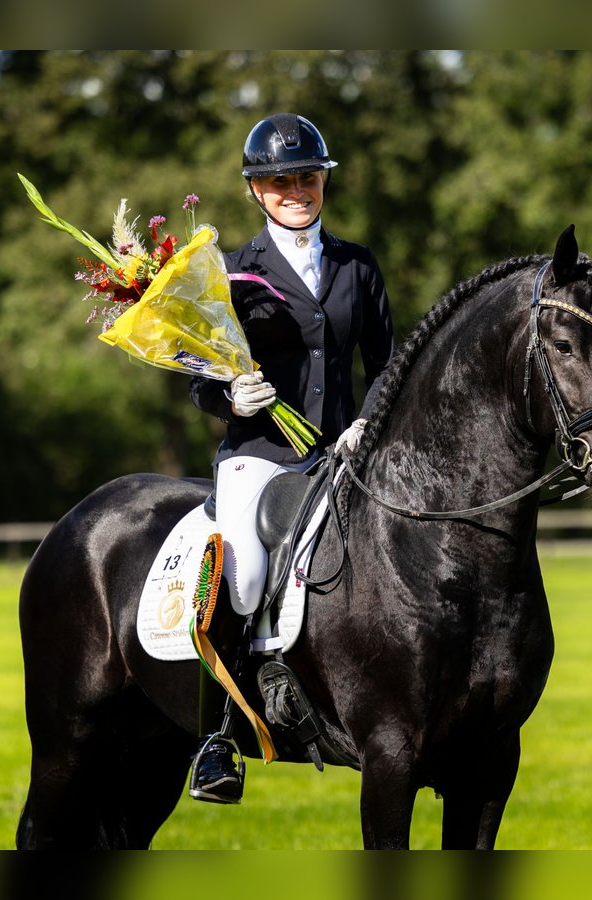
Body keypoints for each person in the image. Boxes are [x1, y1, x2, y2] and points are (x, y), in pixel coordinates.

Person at [186, 113, 396, 803]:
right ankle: (222, 734)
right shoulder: (233, 273)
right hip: (261, 457)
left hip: (344, 454)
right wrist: (232, 398)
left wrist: (367, 422)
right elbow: (200, 380)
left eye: (307, 177)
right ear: (256, 190)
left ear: (323, 181)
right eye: (279, 181)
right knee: (243, 576)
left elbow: (389, 365)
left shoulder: (358, 266)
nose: (295, 190)